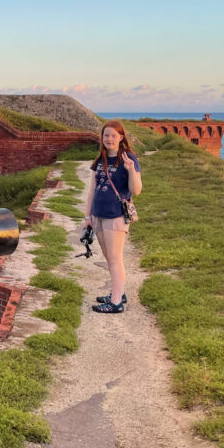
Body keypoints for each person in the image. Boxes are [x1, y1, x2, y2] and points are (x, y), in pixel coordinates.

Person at [83, 121, 142, 313]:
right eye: (106, 135)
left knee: (115, 257)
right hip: (98, 214)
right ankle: (118, 292)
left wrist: (131, 170)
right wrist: (87, 216)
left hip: (115, 215)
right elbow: (92, 190)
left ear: (121, 138)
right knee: (109, 257)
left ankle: (116, 303)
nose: (109, 139)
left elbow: (136, 190)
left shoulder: (128, 158)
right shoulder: (100, 159)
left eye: (113, 136)